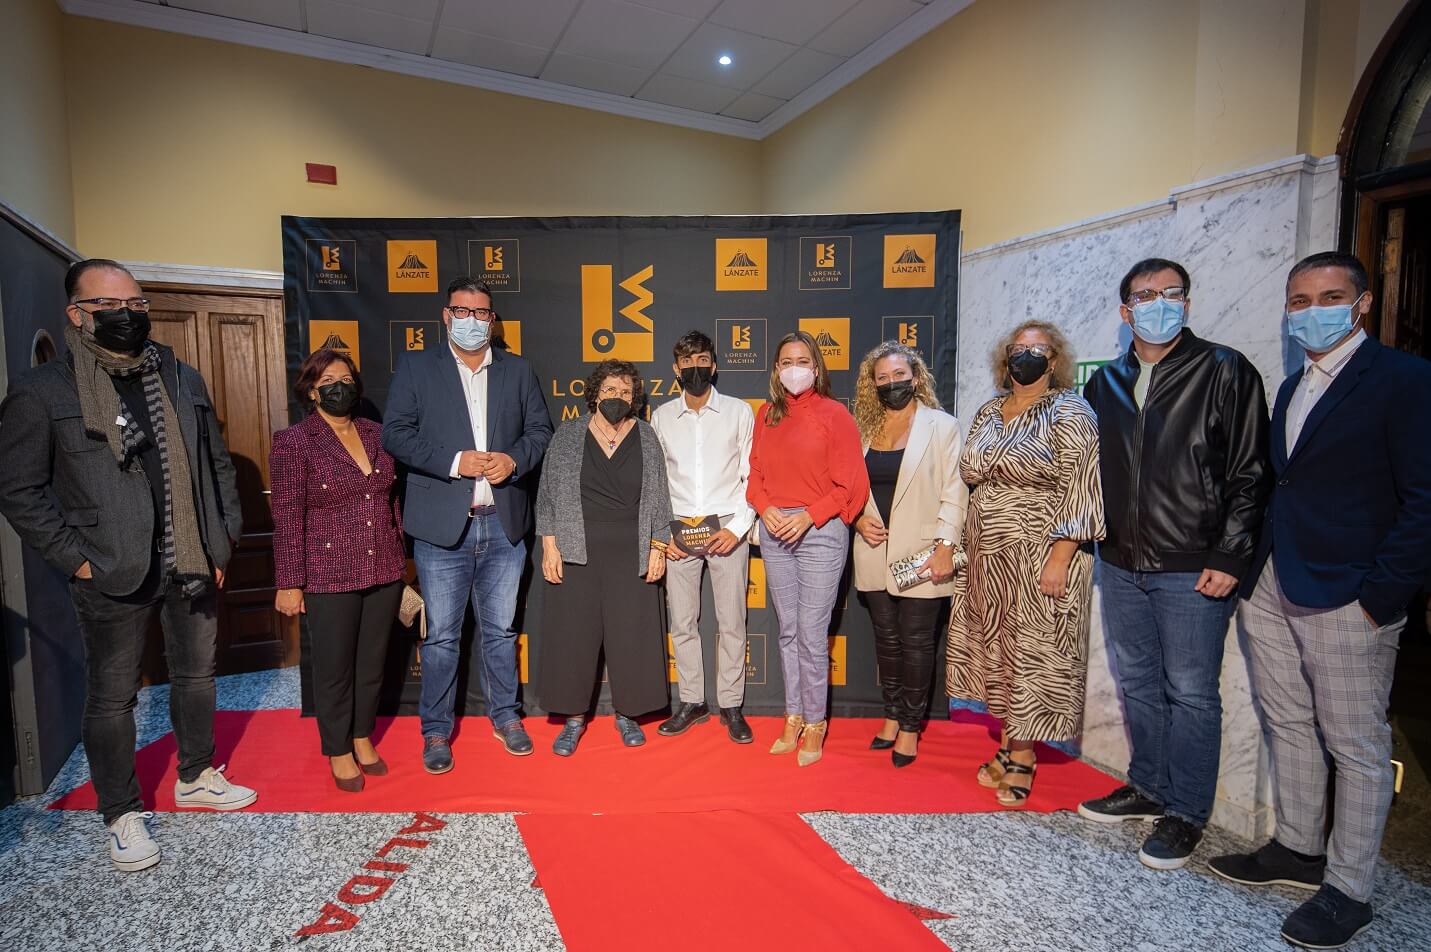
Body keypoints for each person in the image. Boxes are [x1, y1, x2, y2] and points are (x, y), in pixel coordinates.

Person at [0, 259, 256, 872]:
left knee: (197, 675)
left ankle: (196, 774)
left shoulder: (180, 376)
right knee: (114, 696)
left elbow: (217, 464)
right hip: (110, 567)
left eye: (137, 304)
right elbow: (17, 488)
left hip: (191, 558)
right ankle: (121, 813)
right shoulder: (43, 391)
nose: (128, 315)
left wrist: (221, 540)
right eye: (110, 305)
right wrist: (75, 559)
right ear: (77, 314)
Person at [1209, 252, 1431, 951]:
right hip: (1275, 582)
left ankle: (1348, 890)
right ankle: (1298, 849)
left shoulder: (1404, 380)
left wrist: (1379, 596)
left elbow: (1423, 501)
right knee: (1288, 722)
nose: (1313, 312)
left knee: (1356, 745)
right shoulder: (1292, 385)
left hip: (1348, 594)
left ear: (1362, 304)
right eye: (1299, 301)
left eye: (1330, 297)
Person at [1078, 258, 1271, 871]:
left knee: (1191, 692)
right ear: (1125, 311)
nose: (1158, 303)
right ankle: (1149, 787)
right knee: (1137, 681)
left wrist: (1230, 553)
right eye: (1145, 296)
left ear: (1186, 303)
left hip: (1194, 565)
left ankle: (1186, 812)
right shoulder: (1104, 382)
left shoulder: (1224, 369)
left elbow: (1250, 472)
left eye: (1171, 293)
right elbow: (1087, 474)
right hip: (1120, 561)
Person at [382, 277, 554, 773]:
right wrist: (455, 462)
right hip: (442, 530)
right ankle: (436, 731)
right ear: (446, 315)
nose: (472, 321)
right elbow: (396, 434)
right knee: (441, 638)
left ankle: (507, 718)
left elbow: (540, 431)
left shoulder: (518, 371)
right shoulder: (417, 367)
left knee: (501, 631)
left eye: (481, 313)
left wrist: (514, 460)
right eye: (462, 311)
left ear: (492, 320)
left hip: (504, 526)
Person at [946, 320, 1104, 806]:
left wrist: (1061, 557)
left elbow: (1082, 487)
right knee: (998, 652)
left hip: (1040, 555)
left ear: (1054, 360)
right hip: (987, 560)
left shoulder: (1070, 410)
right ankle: (1008, 742)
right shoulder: (989, 412)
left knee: (1035, 655)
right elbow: (970, 476)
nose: (1026, 356)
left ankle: (1024, 756)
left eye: (1038, 349)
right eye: (1018, 348)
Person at [270, 349, 404, 792]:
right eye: (327, 381)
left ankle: (362, 735)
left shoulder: (377, 433)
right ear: (312, 391)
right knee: (334, 668)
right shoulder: (294, 442)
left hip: (383, 566)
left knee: (371, 664)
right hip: (328, 572)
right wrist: (289, 582)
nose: (338, 387)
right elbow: (287, 516)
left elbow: (391, 499)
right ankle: (338, 748)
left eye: (345, 378)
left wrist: (401, 552)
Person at [536, 360, 673, 755]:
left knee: (632, 634)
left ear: (635, 398)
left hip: (632, 551)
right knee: (573, 636)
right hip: (577, 549)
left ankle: (628, 714)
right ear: (595, 393)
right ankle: (573, 718)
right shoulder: (568, 434)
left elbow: (660, 495)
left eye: (626, 391)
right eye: (610, 390)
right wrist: (550, 545)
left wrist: (658, 546)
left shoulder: (645, 435)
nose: (618, 397)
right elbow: (547, 494)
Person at [747, 330, 869, 767]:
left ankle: (816, 722)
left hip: (819, 531)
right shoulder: (766, 415)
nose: (794, 369)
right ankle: (793, 714)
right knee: (787, 630)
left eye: (802, 361)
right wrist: (765, 508)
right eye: (786, 362)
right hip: (776, 529)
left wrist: (808, 516)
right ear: (776, 370)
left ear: (816, 368)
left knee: (811, 633)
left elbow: (851, 486)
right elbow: (754, 474)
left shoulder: (835, 415)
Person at [851, 341, 967, 768]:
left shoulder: (942, 426)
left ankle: (910, 726)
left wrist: (945, 546)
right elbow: (849, 489)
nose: (892, 383)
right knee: (887, 640)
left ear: (915, 378)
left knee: (917, 642)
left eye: (899, 375)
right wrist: (857, 520)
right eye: (882, 378)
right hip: (873, 550)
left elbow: (955, 491)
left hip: (923, 554)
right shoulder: (862, 429)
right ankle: (891, 713)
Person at [652, 331, 757, 744]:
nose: (695, 367)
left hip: (728, 524)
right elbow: (656, 481)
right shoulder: (662, 417)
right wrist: (665, 532)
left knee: (732, 620)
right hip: (679, 528)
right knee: (682, 621)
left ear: (713, 366)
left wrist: (737, 527)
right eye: (687, 361)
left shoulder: (739, 412)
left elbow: (752, 475)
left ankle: (731, 705)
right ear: (676, 369)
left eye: (702, 360)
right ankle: (692, 701)